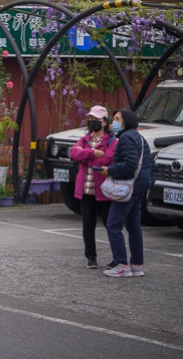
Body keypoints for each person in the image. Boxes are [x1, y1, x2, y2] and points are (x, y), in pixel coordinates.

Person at [98, 108, 154, 277]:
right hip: (138, 188)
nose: (114, 122)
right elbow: (152, 164)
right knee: (133, 226)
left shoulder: (126, 138)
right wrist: (149, 182)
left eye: (117, 119)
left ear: (125, 121)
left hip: (127, 187)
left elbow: (129, 165)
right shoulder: (140, 138)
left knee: (113, 224)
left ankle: (122, 264)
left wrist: (110, 170)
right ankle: (137, 264)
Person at [69, 105, 117, 269]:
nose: (92, 122)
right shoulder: (84, 139)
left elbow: (107, 160)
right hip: (85, 189)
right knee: (87, 225)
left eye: (96, 120)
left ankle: (117, 257)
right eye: (90, 119)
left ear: (104, 122)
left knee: (110, 224)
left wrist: (85, 156)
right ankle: (91, 257)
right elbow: (73, 154)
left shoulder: (112, 141)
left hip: (104, 190)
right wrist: (92, 153)